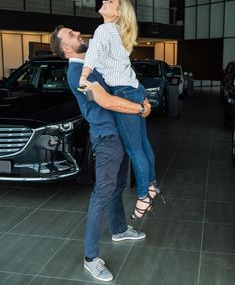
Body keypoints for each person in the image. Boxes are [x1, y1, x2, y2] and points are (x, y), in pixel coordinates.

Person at [50, 25, 151, 282]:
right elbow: (107, 101)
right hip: (108, 138)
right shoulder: (76, 74)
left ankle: (118, 229)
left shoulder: (93, 63)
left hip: (122, 131)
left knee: (118, 186)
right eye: (72, 35)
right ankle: (90, 258)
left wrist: (142, 99)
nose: (78, 34)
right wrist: (139, 108)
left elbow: (122, 83)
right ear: (66, 48)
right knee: (102, 194)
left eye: (75, 31)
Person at [79, 0, 162, 221]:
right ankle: (151, 185)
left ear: (115, 13)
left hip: (125, 93)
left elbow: (91, 56)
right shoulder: (119, 28)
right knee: (144, 145)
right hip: (135, 90)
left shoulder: (105, 31)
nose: (105, 1)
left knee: (134, 149)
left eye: (109, 2)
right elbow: (122, 1)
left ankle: (143, 197)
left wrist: (84, 74)